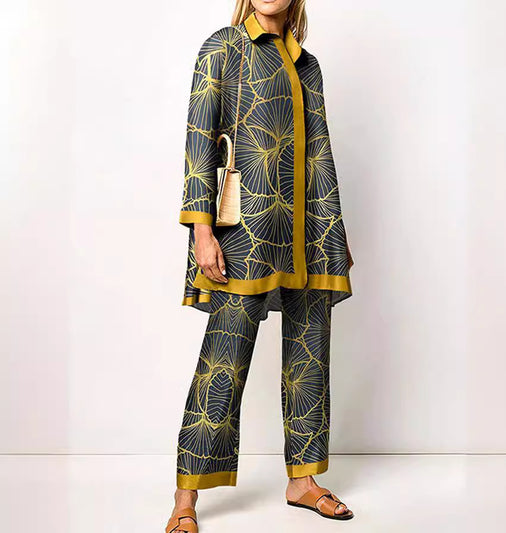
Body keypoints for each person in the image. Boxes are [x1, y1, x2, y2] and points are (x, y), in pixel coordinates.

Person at [166, 1, 355, 531]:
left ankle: (303, 481)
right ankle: (185, 498)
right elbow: (199, 142)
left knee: (310, 352)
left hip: (308, 230)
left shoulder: (308, 66)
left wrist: (333, 231)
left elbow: (320, 153)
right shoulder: (222, 49)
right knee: (223, 361)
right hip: (246, 234)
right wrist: (202, 231)